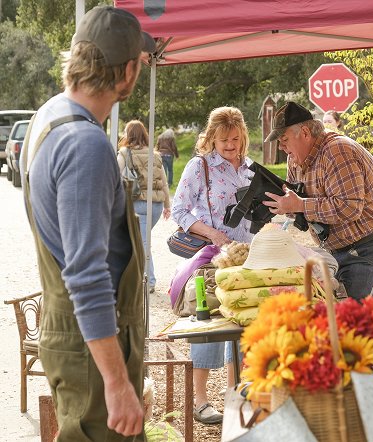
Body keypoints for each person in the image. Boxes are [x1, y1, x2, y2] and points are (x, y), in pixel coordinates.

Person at [20, 6, 155, 439]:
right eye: (140, 61)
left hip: (79, 339)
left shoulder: (50, 115)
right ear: (128, 71)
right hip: (91, 347)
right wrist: (116, 383)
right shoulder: (85, 145)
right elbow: (86, 273)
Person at [262, 101, 373, 299]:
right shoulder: (295, 160)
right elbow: (300, 204)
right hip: (344, 246)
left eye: (284, 139)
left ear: (305, 132)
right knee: (342, 310)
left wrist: (299, 204)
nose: (281, 146)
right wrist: (285, 205)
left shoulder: (337, 151)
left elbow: (348, 208)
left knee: (363, 314)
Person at [172, 106, 254, 424]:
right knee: (209, 327)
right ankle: (202, 401)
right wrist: (212, 234)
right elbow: (179, 210)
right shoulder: (200, 167)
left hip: (247, 260)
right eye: (224, 140)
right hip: (213, 259)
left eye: (235, 138)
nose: (230, 145)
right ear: (212, 139)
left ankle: (236, 393)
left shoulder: (249, 169)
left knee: (242, 325)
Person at [117, 120, 171, 292]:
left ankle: (149, 282)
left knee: (142, 243)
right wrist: (167, 205)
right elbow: (164, 183)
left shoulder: (125, 153)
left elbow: (115, 177)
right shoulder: (155, 155)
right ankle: (137, 278)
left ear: (128, 134)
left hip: (137, 205)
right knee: (139, 240)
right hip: (156, 206)